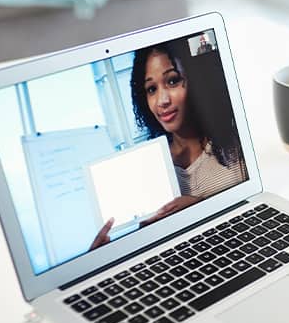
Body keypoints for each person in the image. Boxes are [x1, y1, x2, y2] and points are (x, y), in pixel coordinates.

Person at [90, 41, 246, 249]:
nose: (162, 100)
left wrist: (199, 209)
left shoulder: (233, 140)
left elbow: (252, 211)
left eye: (172, 81)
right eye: (151, 89)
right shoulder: (149, 169)